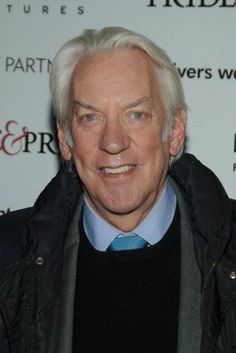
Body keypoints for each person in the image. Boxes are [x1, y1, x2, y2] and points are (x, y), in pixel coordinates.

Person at [0, 26, 235, 353]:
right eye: (89, 118)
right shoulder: (7, 257)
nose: (113, 142)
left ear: (175, 131)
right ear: (65, 139)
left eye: (136, 115)